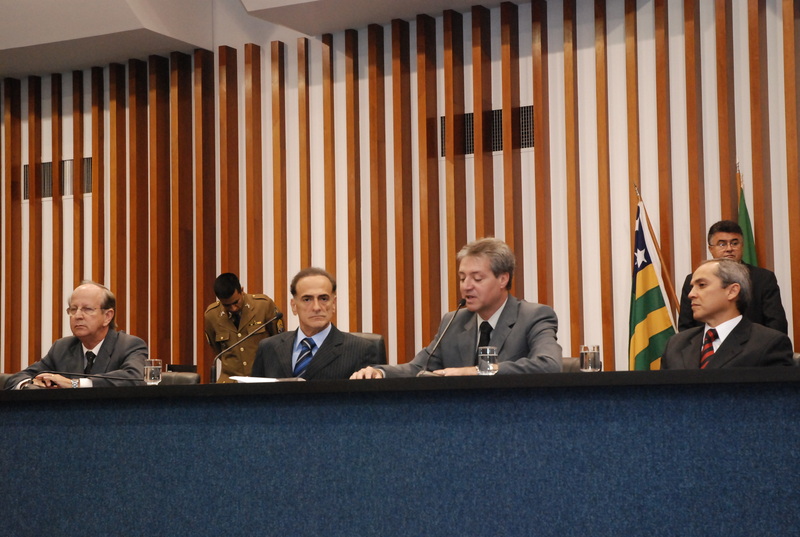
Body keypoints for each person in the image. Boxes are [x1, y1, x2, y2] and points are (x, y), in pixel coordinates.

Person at [351, 237, 563, 379]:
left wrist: (476, 371)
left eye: (477, 278)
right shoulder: (454, 321)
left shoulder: (533, 316)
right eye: (462, 278)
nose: (466, 286)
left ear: (503, 279)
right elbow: (419, 368)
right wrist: (380, 372)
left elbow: (549, 365)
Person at [4, 281, 148, 389]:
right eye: (73, 309)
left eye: (87, 309)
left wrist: (74, 383)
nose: (77, 316)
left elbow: (134, 378)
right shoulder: (62, 348)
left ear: (107, 316)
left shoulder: (129, 345)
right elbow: (20, 377)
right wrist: (30, 385)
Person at [251, 267, 383, 379]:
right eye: (307, 299)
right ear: (294, 306)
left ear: (333, 304)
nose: (316, 307)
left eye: (323, 299)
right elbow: (255, 396)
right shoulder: (268, 348)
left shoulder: (361, 350)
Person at [662, 259, 793, 369]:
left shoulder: (768, 343)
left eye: (701, 285)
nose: (691, 294)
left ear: (732, 291)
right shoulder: (676, 345)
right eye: (692, 287)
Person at [678, 220, 787, 333]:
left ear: (742, 246)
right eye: (722, 244)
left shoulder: (763, 278)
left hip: (754, 342)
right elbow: (686, 326)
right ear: (711, 249)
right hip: (708, 342)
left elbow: (776, 324)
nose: (729, 249)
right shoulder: (694, 280)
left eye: (734, 243)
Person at [204, 272, 284, 383]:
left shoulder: (263, 306)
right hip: (230, 381)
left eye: (236, 302)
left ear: (241, 290)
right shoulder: (212, 315)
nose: (233, 308)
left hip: (261, 378)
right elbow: (217, 349)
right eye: (227, 305)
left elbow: (279, 341)